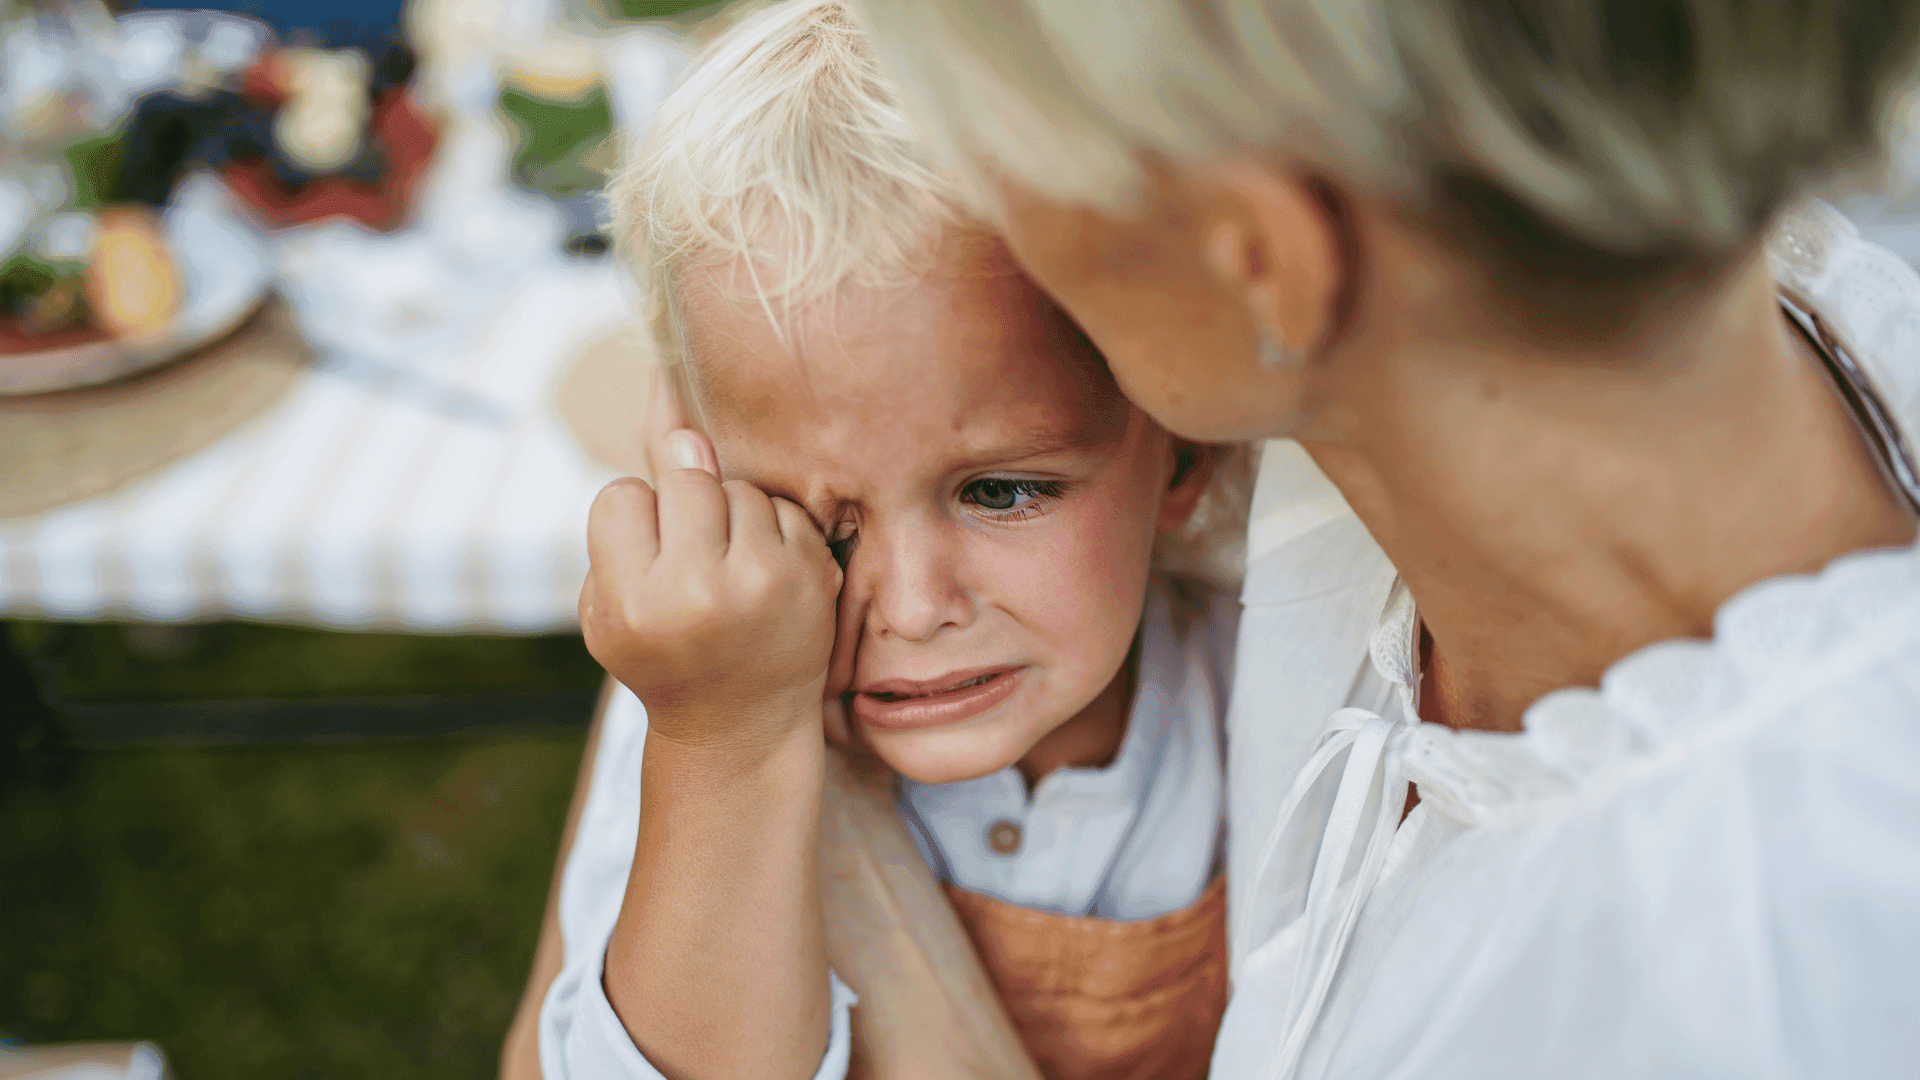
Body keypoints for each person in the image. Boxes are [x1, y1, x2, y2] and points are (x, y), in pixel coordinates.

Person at [844, 1, 1920, 1077]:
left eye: (992, 141)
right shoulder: (1433, 370)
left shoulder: (1755, 992)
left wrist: (836, 841)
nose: (970, 184)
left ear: (1261, 261)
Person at [520, 2, 1256, 1077]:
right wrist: (727, 749)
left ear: (1186, 451)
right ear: (696, 465)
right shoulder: (705, 702)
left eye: (1002, 491)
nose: (912, 608)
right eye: (810, 517)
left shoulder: (1266, 682)